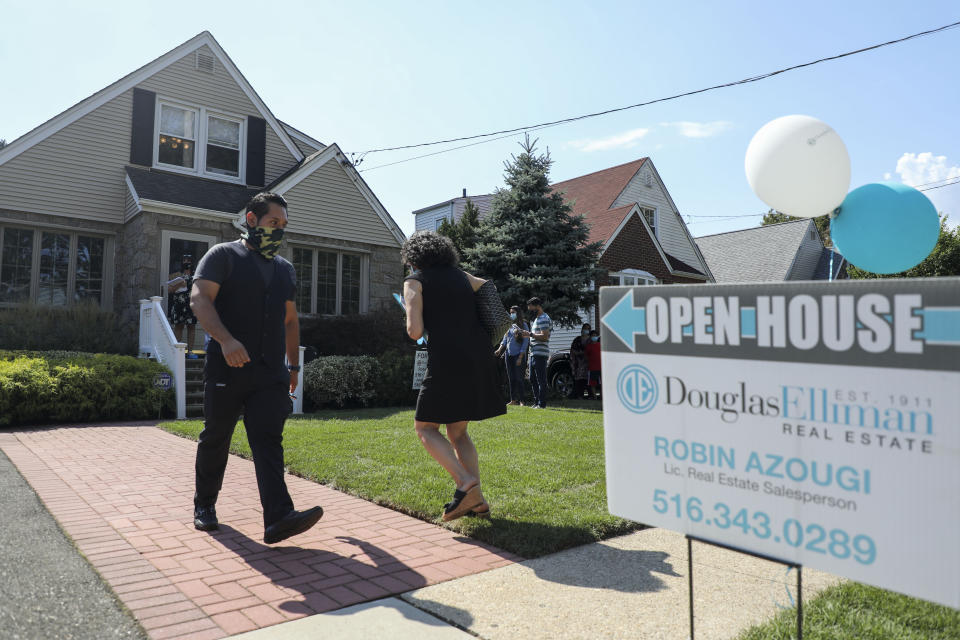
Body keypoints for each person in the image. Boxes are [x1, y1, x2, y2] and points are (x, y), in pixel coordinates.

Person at [189, 192, 323, 544]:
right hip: (227, 368)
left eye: (283, 226)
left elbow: (290, 320)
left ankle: (278, 517)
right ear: (251, 220)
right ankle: (204, 506)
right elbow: (199, 298)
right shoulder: (223, 256)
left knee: (268, 440)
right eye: (272, 223)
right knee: (217, 436)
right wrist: (226, 340)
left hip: (270, 373)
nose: (279, 231)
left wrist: (293, 365)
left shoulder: (285, 269)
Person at [402, 231, 505, 521]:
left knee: (424, 428)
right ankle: (477, 500)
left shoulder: (415, 281)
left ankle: (465, 483)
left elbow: (415, 331)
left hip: (447, 359)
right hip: (480, 355)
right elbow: (487, 288)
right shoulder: (462, 275)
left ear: (413, 259)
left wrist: (411, 311)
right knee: (458, 432)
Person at [520, 297, 552, 409]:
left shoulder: (544, 318)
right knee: (533, 379)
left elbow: (544, 337)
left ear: (537, 306)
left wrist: (530, 334)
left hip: (540, 353)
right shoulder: (537, 319)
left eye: (531, 307)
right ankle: (537, 402)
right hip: (533, 353)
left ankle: (542, 404)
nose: (530, 310)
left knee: (541, 380)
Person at [495, 306, 529, 406]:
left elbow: (525, 342)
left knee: (519, 378)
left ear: (518, 313)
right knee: (511, 378)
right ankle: (513, 400)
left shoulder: (523, 325)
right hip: (508, 355)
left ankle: (522, 400)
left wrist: (520, 357)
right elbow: (505, 340)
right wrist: (499, 350)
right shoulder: (510, 325)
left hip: (518, 355)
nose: (511, 314)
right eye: (510, 313)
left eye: (513, 312)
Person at [167, 255, 199, 355]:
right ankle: (177, 351)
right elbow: (169, 290)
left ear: (192, 263)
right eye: (184, 260)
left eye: (188, 260)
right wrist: (179, 284)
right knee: (178, 326)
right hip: (178, 305)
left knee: (191, 327)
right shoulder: (176, 275)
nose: (186, 262)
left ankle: (190, 351)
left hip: (191, 305)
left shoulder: (197, 275)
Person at [569, 323, 592, 400]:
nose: (586, 330)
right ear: (582, 330)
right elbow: (572, 350)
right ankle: (580, 395)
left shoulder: (591, 340)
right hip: (578, 363)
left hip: (588, 363)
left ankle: (590, 395)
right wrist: (578, 353)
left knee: (588, 380)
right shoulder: (577, 340)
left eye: (588, 328)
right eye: (585, 328)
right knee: (579, 380)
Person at [585, 329, 602, 399]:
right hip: (592, 368)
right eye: (593, 336)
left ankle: (601, 396)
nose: (594, 337)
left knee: (601, 383)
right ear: (590, 337)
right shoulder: (588, 346)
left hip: (601, 367)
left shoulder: (600, 345)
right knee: (592, 383)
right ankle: (595, 396)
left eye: (595, 335)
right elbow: (586, 356)